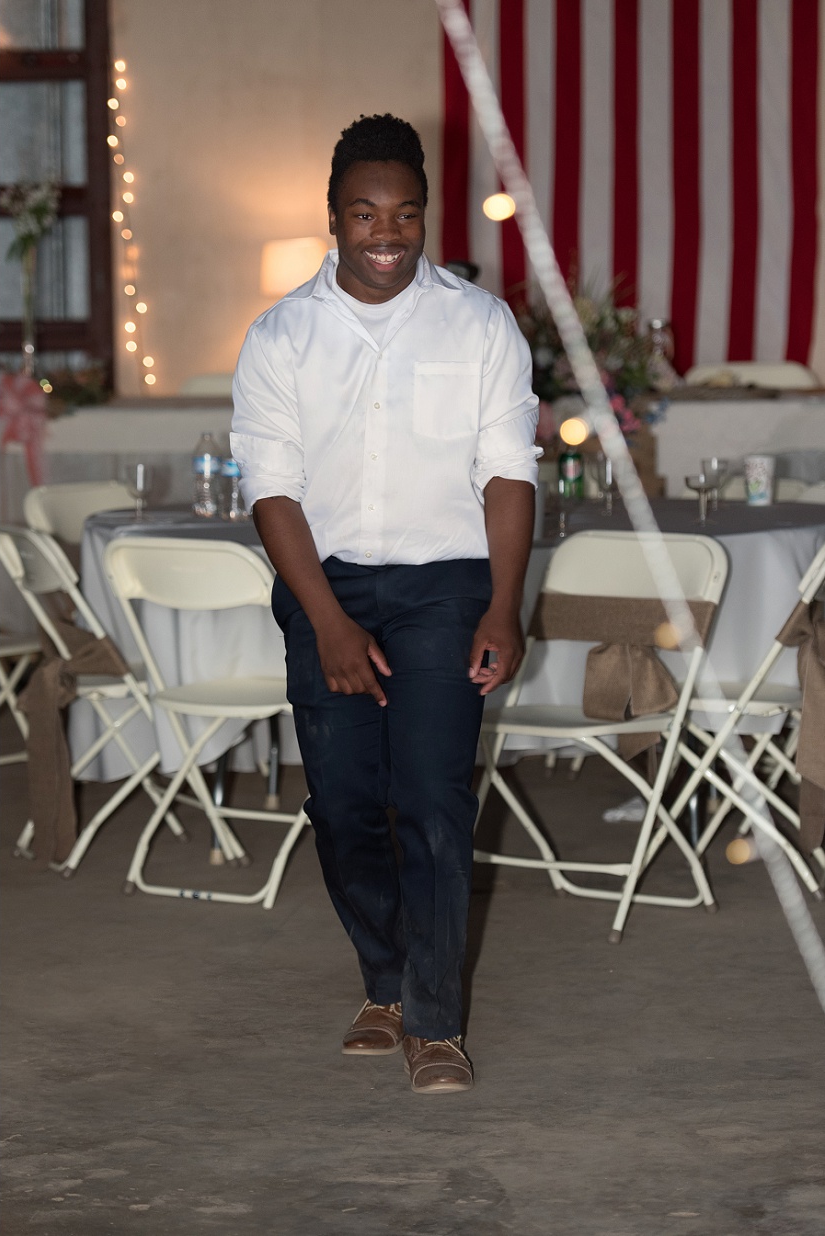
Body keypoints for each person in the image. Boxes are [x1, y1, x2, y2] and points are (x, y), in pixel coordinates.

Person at [230, 114, 540, 1093]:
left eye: (404, 212)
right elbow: (272, 493)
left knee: (435, 800)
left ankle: (435, 1020)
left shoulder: (480, 323)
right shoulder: (281, 334)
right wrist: (327, 621)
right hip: (327, 584)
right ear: (334, 217)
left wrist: (502, 605)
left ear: (424, 214)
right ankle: (389, 979)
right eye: (365, 212)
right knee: (345, 804)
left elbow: (508, 477)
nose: (386, 231)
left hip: (447, 587)